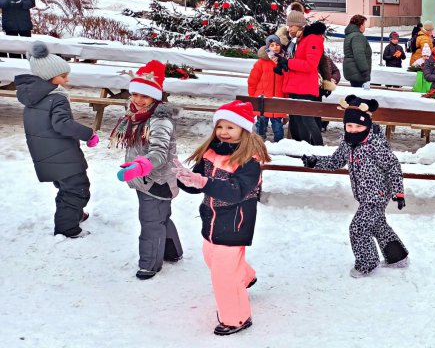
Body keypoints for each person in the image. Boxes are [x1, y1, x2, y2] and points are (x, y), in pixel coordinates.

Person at [173, 100, 271, 336]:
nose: (224, 133)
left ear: (243, 130)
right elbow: (198, 185)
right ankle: (246, 276)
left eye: (230, 127)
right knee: (211, 258)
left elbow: (236, 192)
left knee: (223, 276)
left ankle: (237, 317)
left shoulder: (250, 162)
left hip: (235, 223)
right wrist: (184, 179)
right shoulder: (210, 153)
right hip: (211, 220)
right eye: (220, 127)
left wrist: (204, 183)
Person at [300, 95, 409, 278]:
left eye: (359, 126)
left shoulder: (375, 144)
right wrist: (315, 161)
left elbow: (393, 165)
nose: (353, 130)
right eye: (349, 126)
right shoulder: (347, 142)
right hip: (364, 195)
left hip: (377, 194)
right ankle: (397, 257)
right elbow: (336, 161)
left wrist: (398, 192)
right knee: (377, 225)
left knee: (358, 228)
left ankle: (367, 263)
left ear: (367, 125)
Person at [14, 41, 98, 238]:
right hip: (62, 153)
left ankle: (74, 214)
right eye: (63, 76)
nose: (67, 78)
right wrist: (89, 134)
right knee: (77, 189)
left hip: (46, 153)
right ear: (49, 77)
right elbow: (63, 124)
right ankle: (67, 228)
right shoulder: (57, 97)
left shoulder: (33, 97)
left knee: (66, 187)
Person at [110, 60, 183, 280]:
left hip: (156, 180)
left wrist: (139, 166)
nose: (139, 100)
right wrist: (134, 165)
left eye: (145, 96)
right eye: (135, 94)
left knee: (151, 222)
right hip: (144, 178)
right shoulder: (134, 115)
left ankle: (150, 264)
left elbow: (159, 154)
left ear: (155, 98)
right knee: (160, 217)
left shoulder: (160, 121)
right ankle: (172, 251)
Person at [279, 2, 325, 146]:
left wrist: (289, 63)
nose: (289, 29)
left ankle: (317, 148)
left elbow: (311, 65)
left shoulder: (312, 39)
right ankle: (301, 149)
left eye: (291, 26)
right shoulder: (297, 40)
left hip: (304, 88)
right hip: (295, 86)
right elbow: (293, 60)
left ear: (299, 25)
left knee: (307, 122)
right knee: (296, 122)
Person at [248, 35, 286, 141]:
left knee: (278, 125)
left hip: (278, 99)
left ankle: (280, 143)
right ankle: (260, 141)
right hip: (262, 99)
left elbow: (286, 79)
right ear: (268, 47)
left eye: (277, 45)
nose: (275, 47)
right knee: (261, 123)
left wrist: (286, 96)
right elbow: (253, 80)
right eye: (272, 45)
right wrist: (252, 97)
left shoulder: (284, 61)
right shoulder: (261, 63)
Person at [343, 14, 372, 87]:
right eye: (364, 24)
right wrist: (365, 71)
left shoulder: (350, 35)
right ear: (360, 25)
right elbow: (359, 54)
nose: (364, 27)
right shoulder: (358, 36)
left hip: (353, 70)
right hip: (358, 72)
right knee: (359, 96)